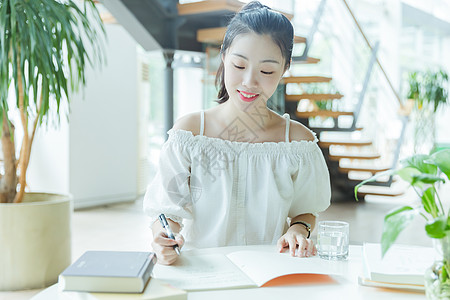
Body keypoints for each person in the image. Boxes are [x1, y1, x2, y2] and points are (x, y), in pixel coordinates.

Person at [144, 1, 331, 265]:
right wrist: (163, 238)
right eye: (239, 66)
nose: (249, 82)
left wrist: (298, 230)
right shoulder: (190, 134)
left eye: (267, 71)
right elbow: (166, 211)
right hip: (205, 274)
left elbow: (306, 211)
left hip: (272, 273)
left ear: (285, 68)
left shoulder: (297, 143)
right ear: (223, 55)